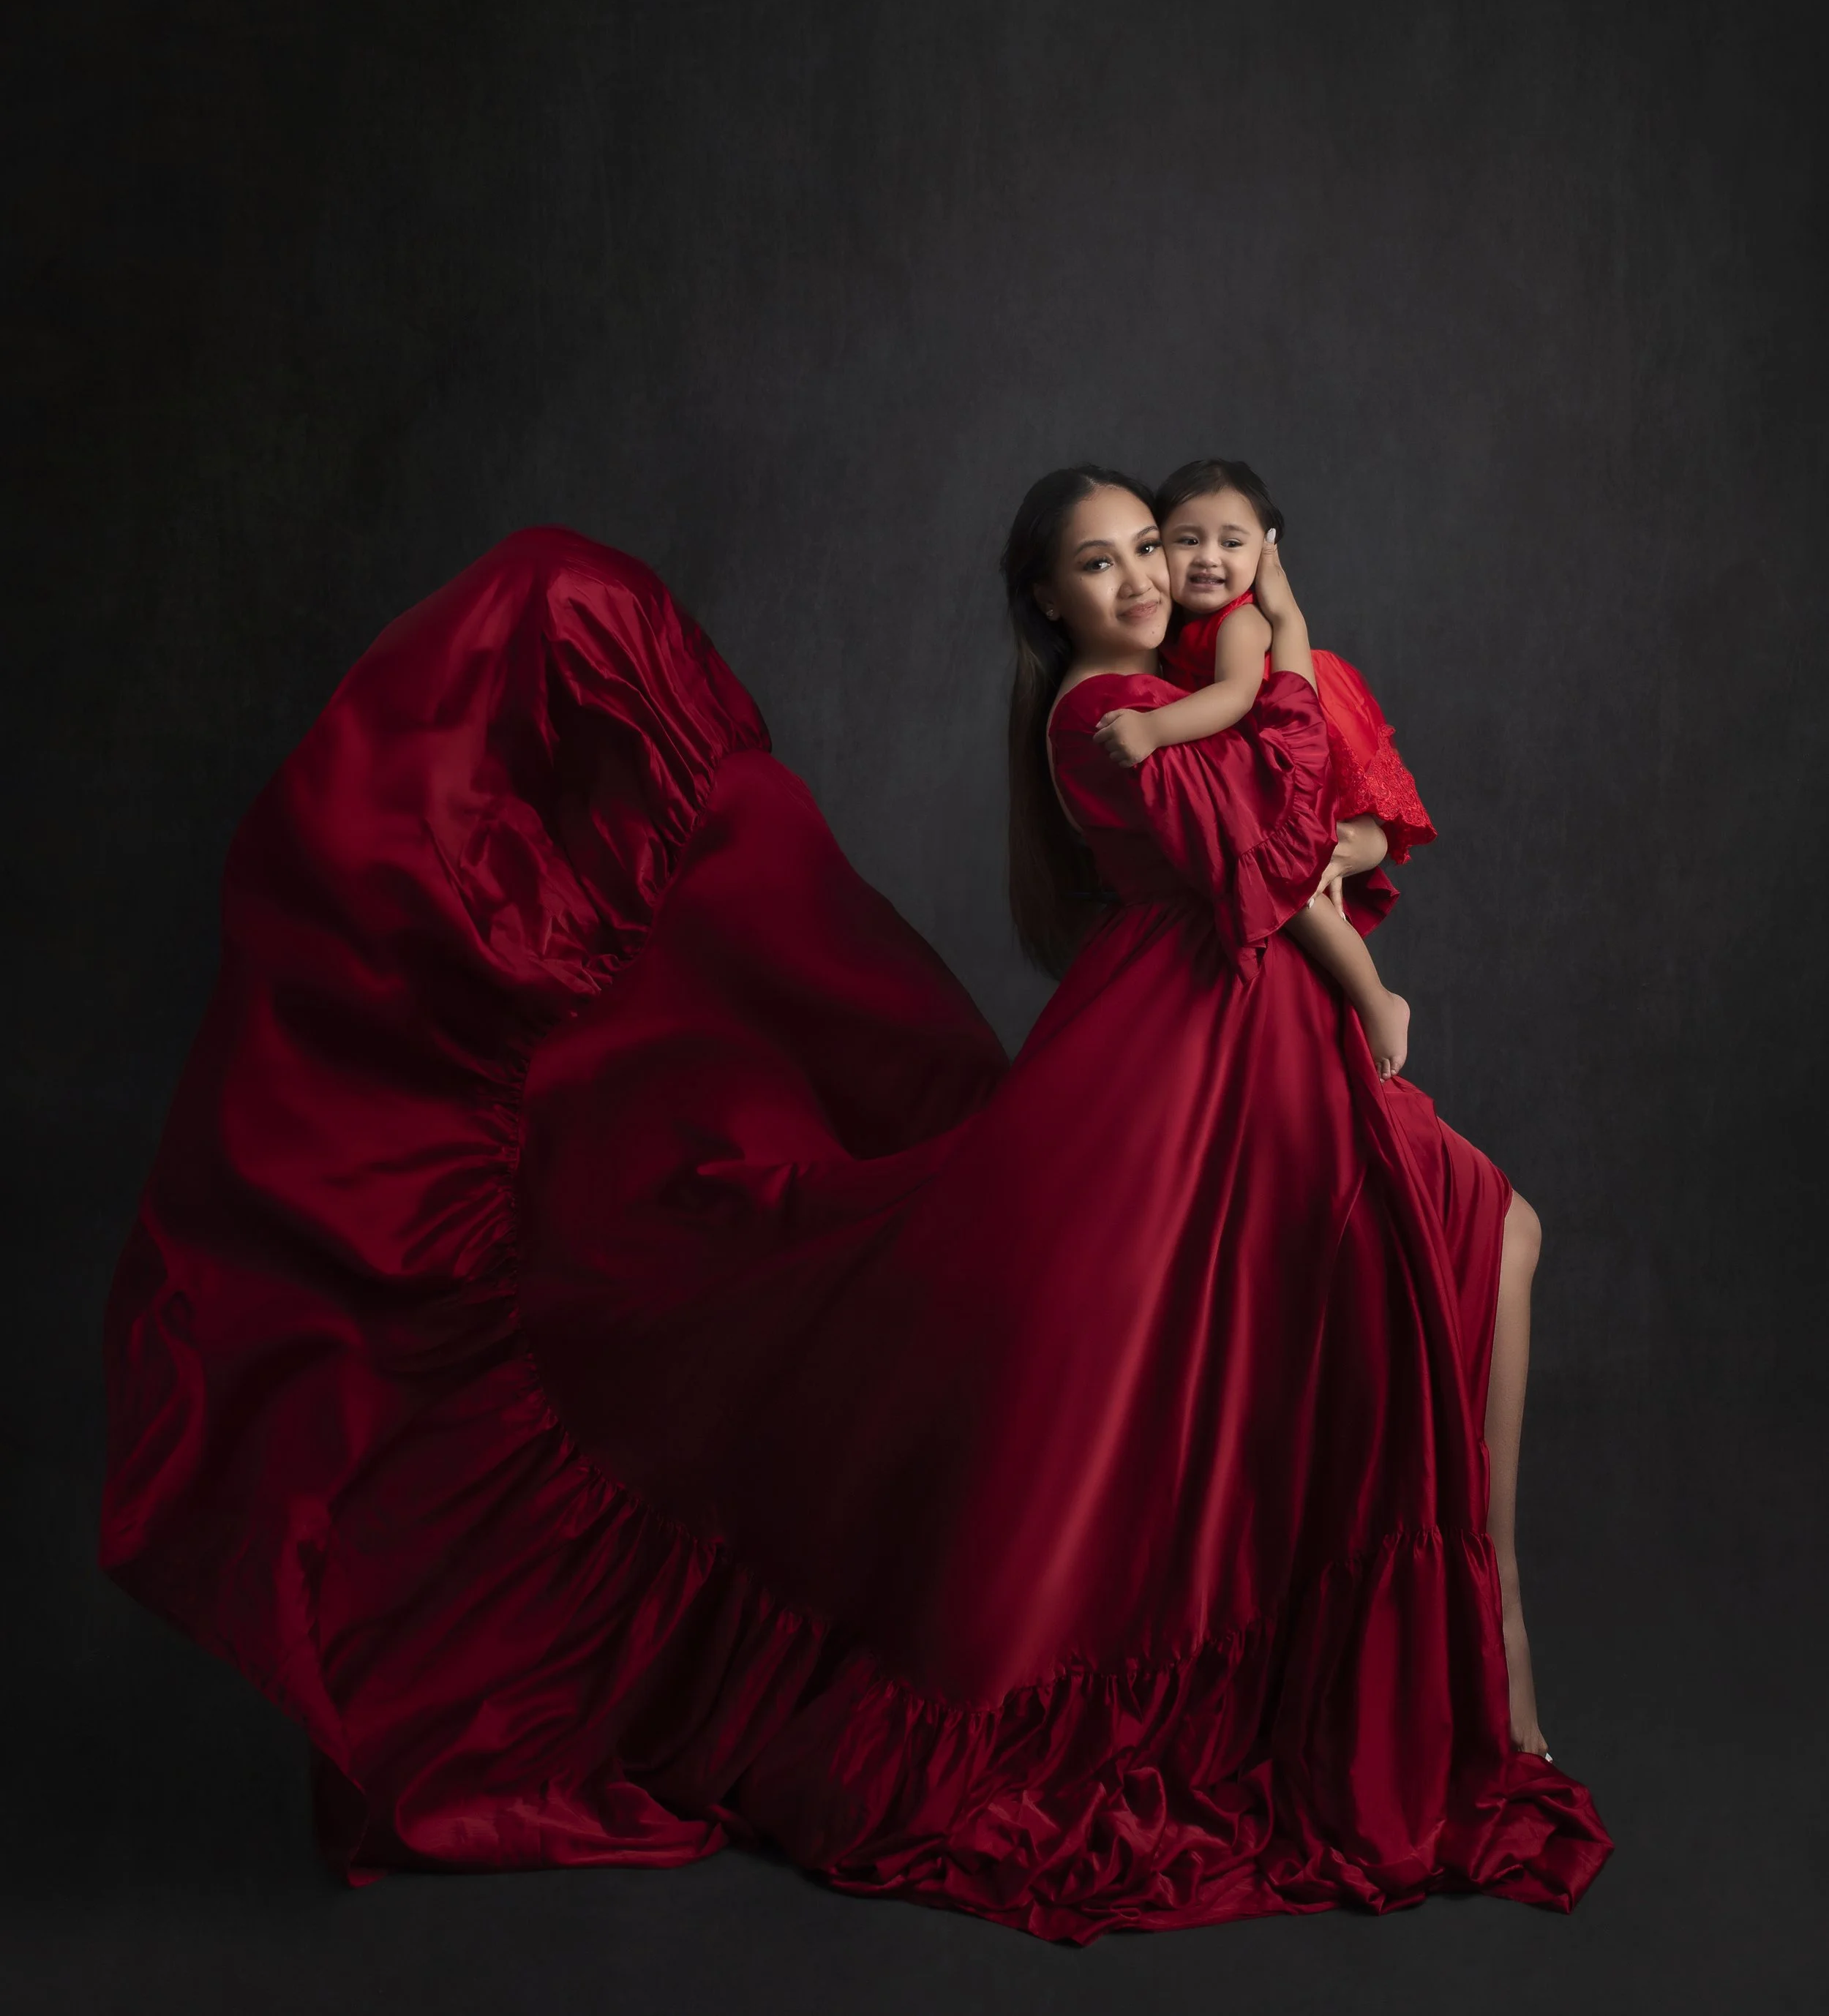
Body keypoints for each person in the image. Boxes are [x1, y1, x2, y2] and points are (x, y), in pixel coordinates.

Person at [101, 505, 1607, 1941]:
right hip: (1172, 1068)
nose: (1141, 577)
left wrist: (1299, 761)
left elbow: (1294, 838)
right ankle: (1476, 1682)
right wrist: (1288, 679)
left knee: (1446, 1257)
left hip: (1208, 1056)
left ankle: (1482, 1672)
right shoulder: (1099, 714)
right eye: (1099, 563)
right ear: (1051, 601)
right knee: (1346, 1294)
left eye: (1148, 545)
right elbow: (1263, 858)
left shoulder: (1175, 694)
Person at [1075, 465, 1412, 1077]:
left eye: (1233, 542)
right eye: (1185, 540)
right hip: (1268, 768)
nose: (1208, 559)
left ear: (1266, 551)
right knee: (1295, 879)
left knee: (1291, 888)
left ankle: (1378, 998)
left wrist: (1151, 728)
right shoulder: (1178, 630)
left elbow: (1233, 696)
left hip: (1299, 747)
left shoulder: (1242, 620)